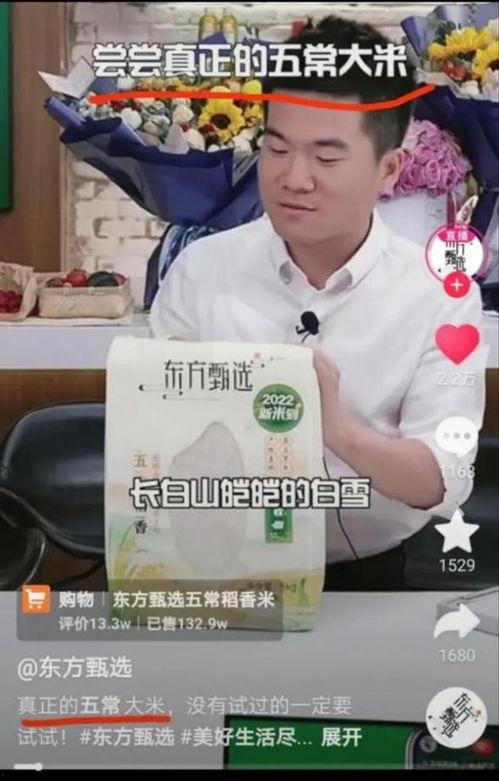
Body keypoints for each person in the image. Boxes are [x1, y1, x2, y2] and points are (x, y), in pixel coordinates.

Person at [150, 16, 486, 590]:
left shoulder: (438, 297)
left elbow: (440, 478)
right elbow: (156, 435)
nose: (294, 178)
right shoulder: (201, 271)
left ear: (388, 169)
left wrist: (336, 429)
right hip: (216, 565)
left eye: (327, 158)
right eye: (277, 148)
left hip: (372, 575)